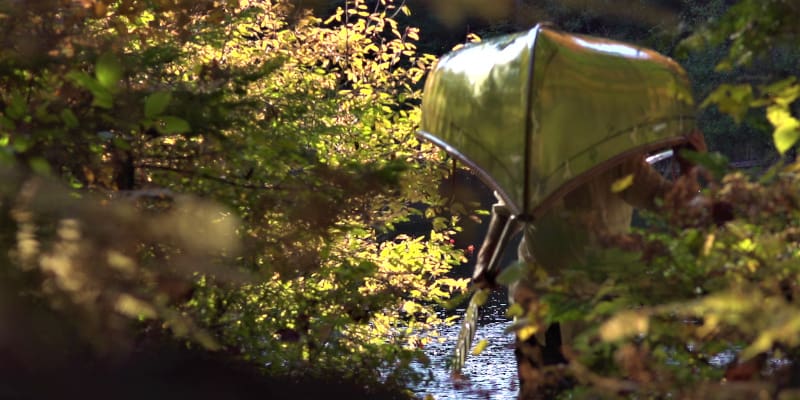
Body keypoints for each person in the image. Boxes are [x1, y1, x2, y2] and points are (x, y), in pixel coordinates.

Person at [474, 131, 707, 399]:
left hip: (594, 311)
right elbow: (506, 211)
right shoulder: (536, 155)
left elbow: (678, 209)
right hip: (543, 309)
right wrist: (485, 262)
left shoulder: (617, 157)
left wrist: (689, 169)